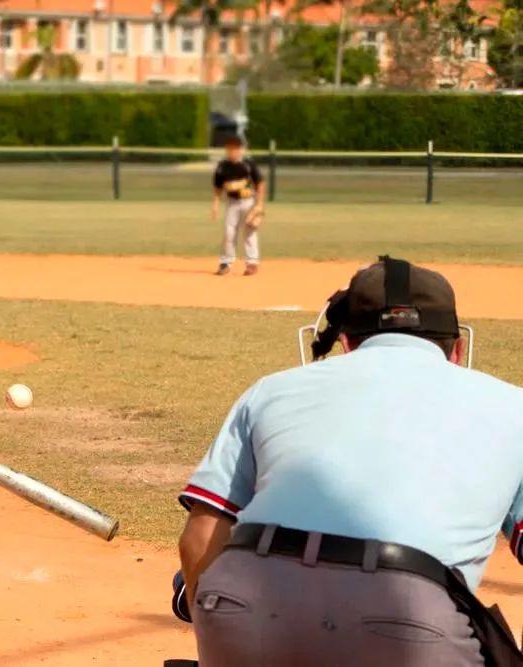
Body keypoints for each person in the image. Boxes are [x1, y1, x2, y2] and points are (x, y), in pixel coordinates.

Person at [173, 257, 523, 666]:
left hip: (243, 602)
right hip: (410, 616)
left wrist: (220, 632)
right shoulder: (511, 404)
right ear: (457, 347)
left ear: (346, 342)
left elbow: (200, 536)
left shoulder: (271, 390)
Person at [211, 136, 264, 276]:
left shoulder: (248, 164)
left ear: (241, 149)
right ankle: (225, 263)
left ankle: (252, 263)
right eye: (230, 148)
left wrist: (259, 204)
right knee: (229, 233)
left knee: (249, 232)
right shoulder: (222, 166)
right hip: (232, 203)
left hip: (248, 201)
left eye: (236, 148)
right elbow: (218, 186)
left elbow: (260, 183)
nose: (233, 151)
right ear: (227, 150)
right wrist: (215, 203)